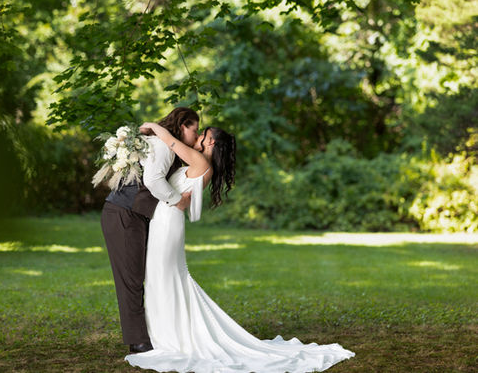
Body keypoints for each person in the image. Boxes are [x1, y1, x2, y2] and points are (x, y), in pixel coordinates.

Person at [125, 123, 355, 372]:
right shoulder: (197, 163)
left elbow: (171, 141)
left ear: (211, 142)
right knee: (160, 277)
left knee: (165, 276)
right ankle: (164, 333)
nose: (199, 136)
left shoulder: (202, 164)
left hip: (168, 224)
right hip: (163, 220)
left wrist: (152, 126)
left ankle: (170, 337)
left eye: (204, 135)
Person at [100, 107, 200, 354]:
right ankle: (138, 342)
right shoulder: (164, 146)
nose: (196, 136)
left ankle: (150, 333)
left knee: (140, 276)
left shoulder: (163, 143)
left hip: (133, 216)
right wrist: (177, 200)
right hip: (122, 214)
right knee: (131, 280)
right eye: (194, 130)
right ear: (182, 125)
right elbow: (152, 181)